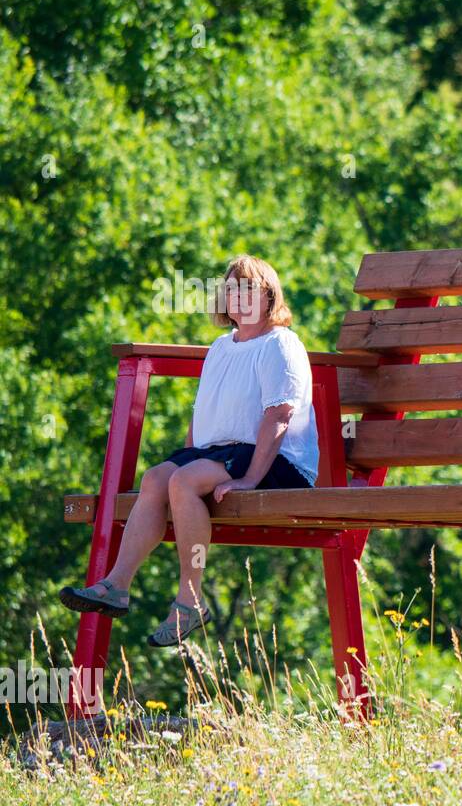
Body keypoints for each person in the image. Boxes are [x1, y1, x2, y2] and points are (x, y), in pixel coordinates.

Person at [60, 255, 318, 646]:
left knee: (183, 482)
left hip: (276, 462)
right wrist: (184, 460)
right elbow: (202, 418)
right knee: (156, 479)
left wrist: (250, 480)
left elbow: (279, 416)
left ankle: (190, 600)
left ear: (268, 297)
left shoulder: (281, 343)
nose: (239, 297)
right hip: (224, 455)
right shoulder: (219, 347)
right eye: (231, 290)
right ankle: (116, 584)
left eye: (248, 289)